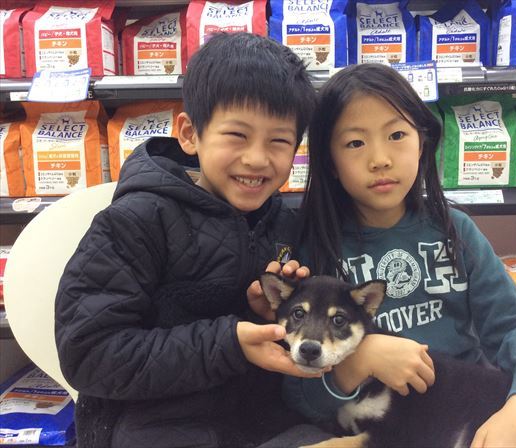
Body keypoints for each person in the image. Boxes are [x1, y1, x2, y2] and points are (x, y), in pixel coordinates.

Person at [248, 63, 516, 448]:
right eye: (355, 143)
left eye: (397, 135)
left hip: (460, 414)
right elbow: (299, 395)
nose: (380, 159)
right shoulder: (310, 248)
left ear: (422, 142)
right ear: (329, 161)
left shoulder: (455, 231)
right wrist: (360, 360)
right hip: (364, 429)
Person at [54, 32, 335, 448]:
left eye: (278, 141)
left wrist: (270, 313)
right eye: (237, 135)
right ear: (190, 134)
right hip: (150, 425)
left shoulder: (284, 226)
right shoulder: (135, 222)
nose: (257, 158)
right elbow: (88, 354)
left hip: (258, 422)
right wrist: (230, 344)